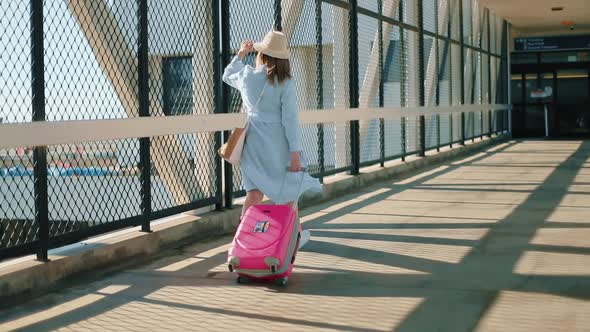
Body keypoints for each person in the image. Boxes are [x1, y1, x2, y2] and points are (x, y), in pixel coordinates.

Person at [222, 30, 322, 249]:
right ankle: (293, 238)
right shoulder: (285, 83)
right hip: (277, 146)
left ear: (262, 54)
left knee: (254, 194)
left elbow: (227, 74)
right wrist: (294, 153)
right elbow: (290, 121)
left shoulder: (247, 76)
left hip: (253, 144)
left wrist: (240, 54)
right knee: (288, 192)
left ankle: (240, 241)